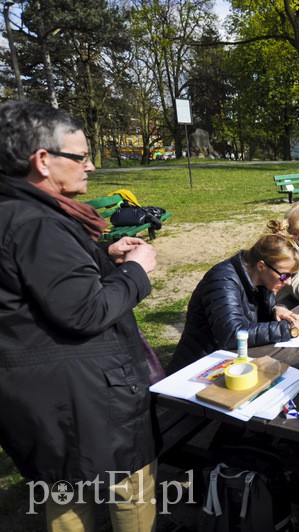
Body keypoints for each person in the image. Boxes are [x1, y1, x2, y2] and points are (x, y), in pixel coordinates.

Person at [0, 100, 158, 530]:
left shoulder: (18, 211)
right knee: (127, 493)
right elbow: (85, 311)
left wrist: (103, 255)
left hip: (44, 400)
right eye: (81, 156)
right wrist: (136, 273)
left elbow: (39, 282)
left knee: (64, 492)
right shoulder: (39, 223)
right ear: (43, 161)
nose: (90, 166)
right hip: (83, 401)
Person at [168, 224, 299, 373]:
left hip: (232, 362)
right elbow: (232, 333)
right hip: (199, 368)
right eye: (285, 275)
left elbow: (251, 311)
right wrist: (291, 329)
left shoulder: (263, 278)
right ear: (261, 266)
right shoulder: (223, 280)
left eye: (292, 276)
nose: (288, 282)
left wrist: (275, 309)